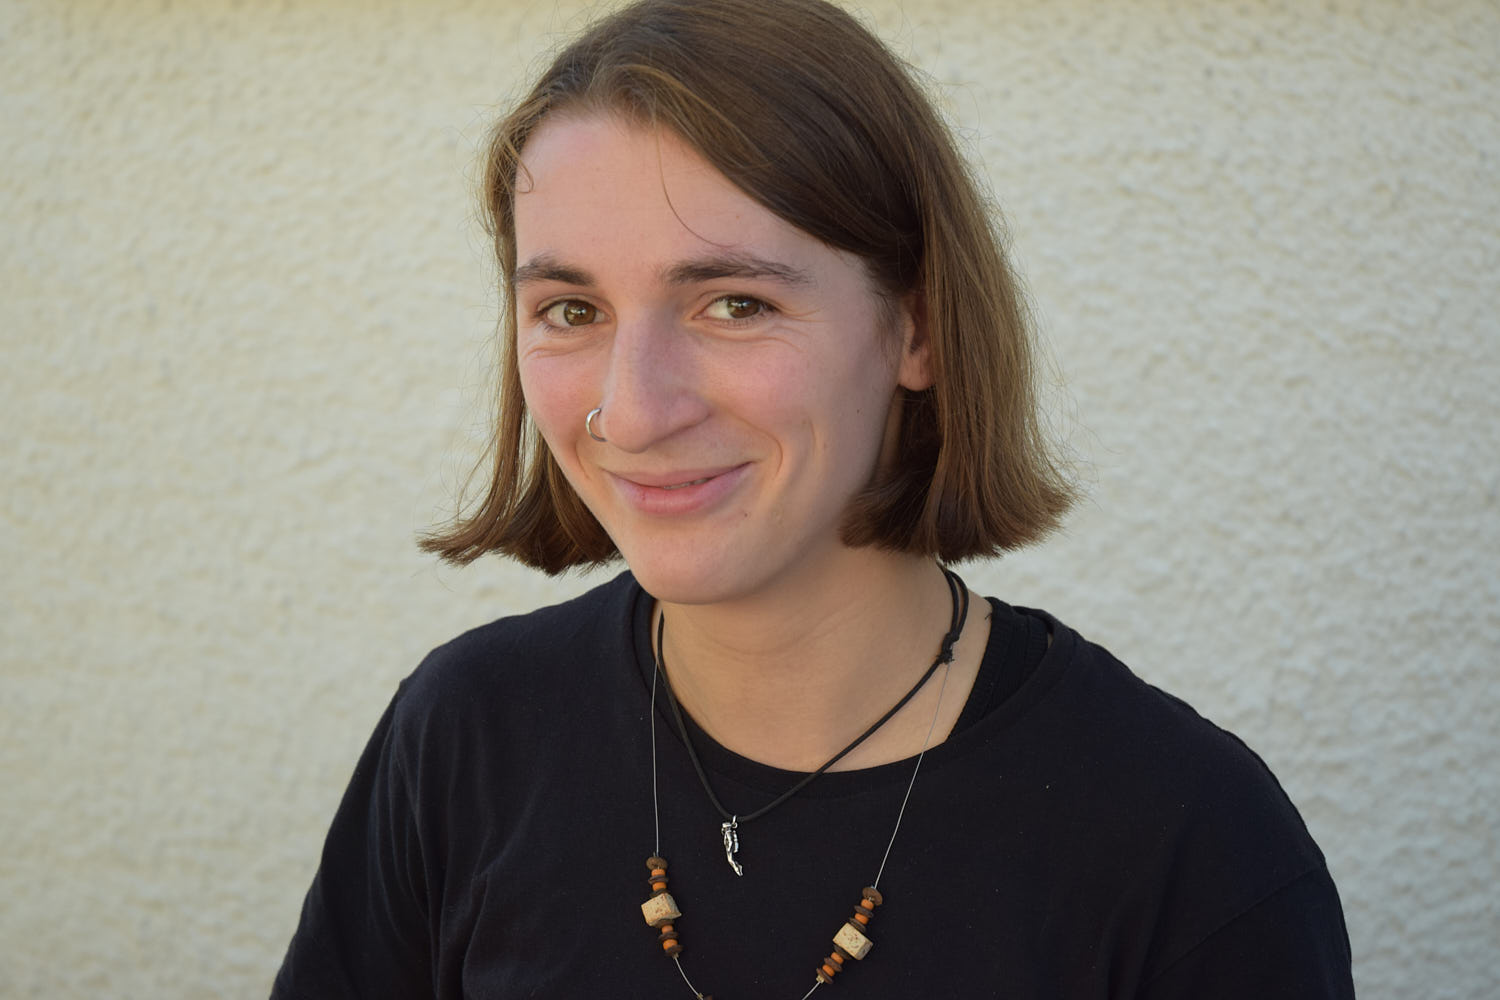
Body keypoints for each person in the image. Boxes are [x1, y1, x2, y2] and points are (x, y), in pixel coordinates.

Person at [272, 0, 1354, 996]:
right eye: (571, 310)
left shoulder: (1189, 844)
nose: (633, 412)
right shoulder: (465, 738)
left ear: (917, 328)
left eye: (735, 303)